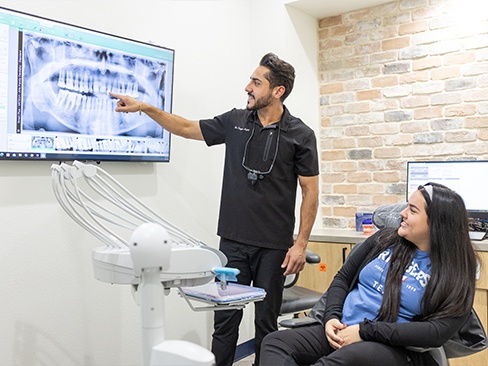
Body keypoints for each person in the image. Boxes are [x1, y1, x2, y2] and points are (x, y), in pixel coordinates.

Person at [109, 52, 320, 365]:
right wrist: (146, 108)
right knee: (224, 325)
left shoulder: (300, 135)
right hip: (233, 243)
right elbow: (186, 128)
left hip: (274, 247)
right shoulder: (235, 121)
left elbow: (310, 191)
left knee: (266, 326)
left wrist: (300, 244)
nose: (247, 87)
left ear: (278, 91)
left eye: (256, 82)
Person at [260, 182, 479, 366]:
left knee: (343, 360)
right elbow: (342, 279)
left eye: (412, 210)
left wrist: (365, 332)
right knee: (275, 343)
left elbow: (436, 332)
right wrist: (332, 318)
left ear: (437, 224)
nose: (402, 213)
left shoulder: (455, 271)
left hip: (393, 346)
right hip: (342, 329)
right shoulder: (384, 239)